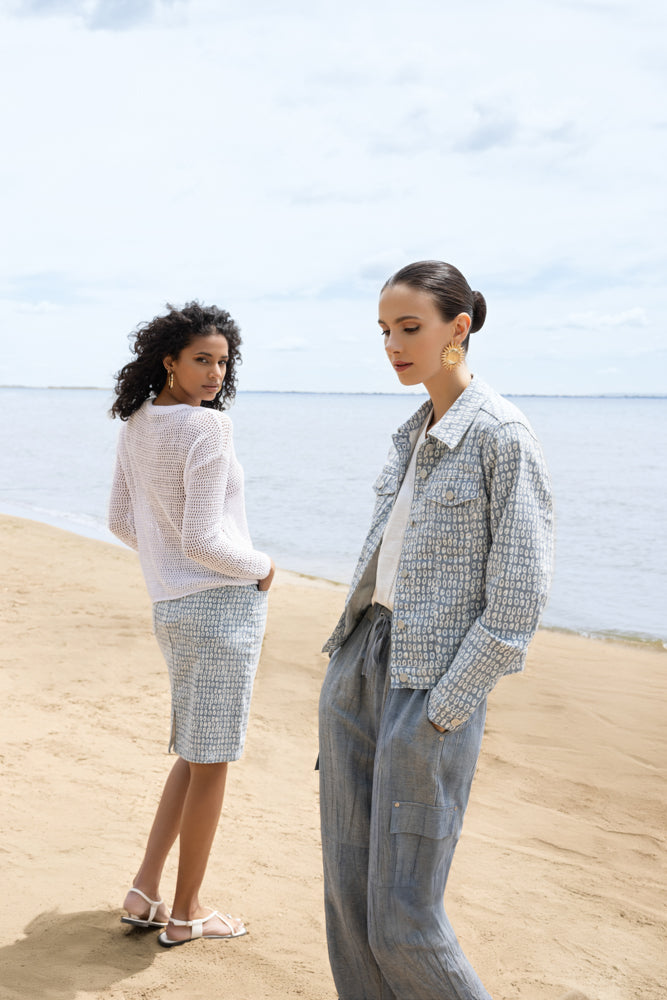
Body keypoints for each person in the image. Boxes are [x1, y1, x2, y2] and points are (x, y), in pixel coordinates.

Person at [318, 261, 553, 999]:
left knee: (404, 918)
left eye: (409, 328)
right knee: (349, 906)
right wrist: (345, 664)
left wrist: (445, 706)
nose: (393, 344)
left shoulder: (502, 436)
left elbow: (516, 603)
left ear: (459, 329)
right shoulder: (412, 432)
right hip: (362, 663)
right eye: (385, 331)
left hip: (430, 684)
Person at [108, 301, 275, 948]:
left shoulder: (138, 424)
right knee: (211, 764)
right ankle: (185, 915)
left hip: (171, 608)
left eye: (222, 362)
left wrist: (168, 567)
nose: (213, 374)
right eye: (201, 360)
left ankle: (145, 890)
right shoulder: (207, 430)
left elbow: (124, 522)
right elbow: (206, 537)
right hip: (221, 606)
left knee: (193, 753)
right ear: (168, 361)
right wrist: (261, 566)